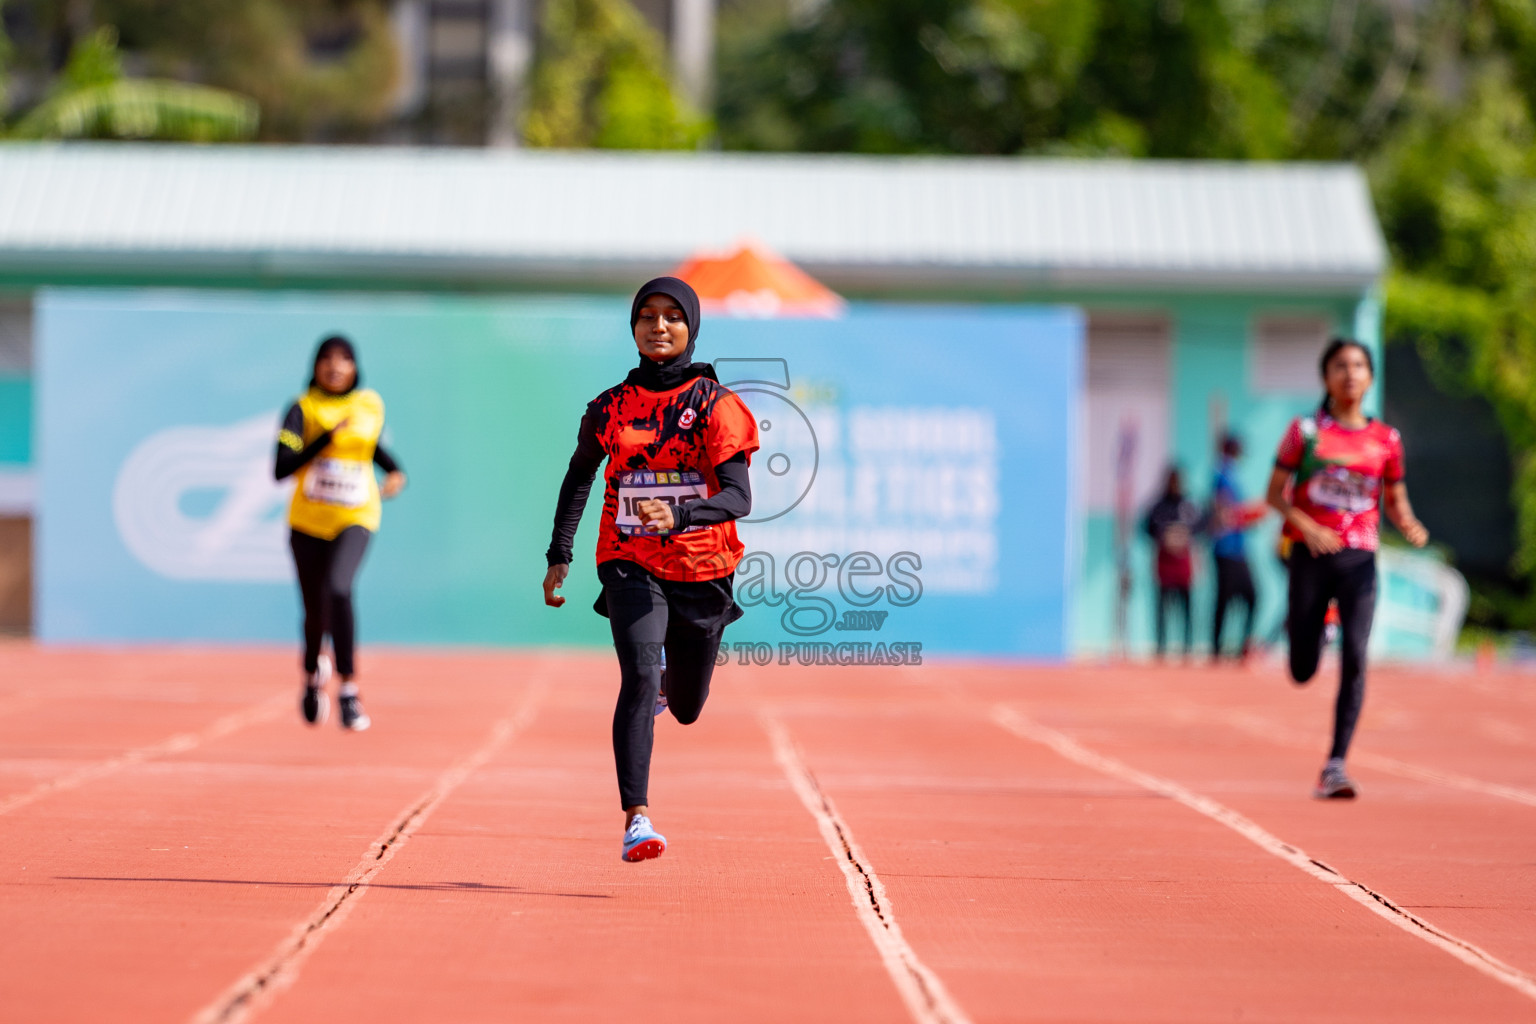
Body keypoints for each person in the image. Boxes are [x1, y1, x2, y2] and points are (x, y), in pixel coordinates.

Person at [543, 277, 759, 863]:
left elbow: (740, 497)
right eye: (647, 316)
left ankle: (672, 677)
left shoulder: (717, 406)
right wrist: (559, 553)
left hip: (703, 566)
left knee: (685, 707)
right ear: (633, 327)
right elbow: (579, 476)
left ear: (690, 328)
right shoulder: (609, 408)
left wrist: (684, 512)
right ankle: (637, 820)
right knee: (637, 675)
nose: (659, 326)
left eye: (672, 317)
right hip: (628, 559)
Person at [1266, 337, 1428, 799]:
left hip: (1359, 559)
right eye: (1340, 366)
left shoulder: (1386, 440)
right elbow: (1274, 494)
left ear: (1370, 377)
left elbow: (1394, 498)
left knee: (1357, 659)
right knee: (1301, 671)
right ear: (1326, 377)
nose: (1350, 373)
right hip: (1309, 556)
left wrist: (1410, 522)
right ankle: (1319, 629)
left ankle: (1335, 764)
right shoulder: (1306, 433)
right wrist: (1307, 527)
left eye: (1359, 366)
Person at [274, 335, 406, 732]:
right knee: (315, 612)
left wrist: (395, 469)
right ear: (315, 366)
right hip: (307, 523)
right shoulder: (302, 409)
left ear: (355, 367)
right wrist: (326, 439)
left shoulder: (368, 404)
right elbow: (281, 467)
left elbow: (368, 447)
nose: (335, 366)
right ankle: (313, 674)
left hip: (356, 515)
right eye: (326, 359)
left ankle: (348, 689)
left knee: (339, 588)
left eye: (344, 359)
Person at [1209, 433, 1263, 661]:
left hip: (1238, 547)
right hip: (1226, 548)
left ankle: (1240, 643)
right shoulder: (1222, 475)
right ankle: (1218, 647)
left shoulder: (1230, 473)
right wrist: (1250, 514)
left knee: (1249, 596)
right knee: (1228, 597)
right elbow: (1224, 514)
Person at [1143, 467, 1202, 660]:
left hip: (1183, 565)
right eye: (1172, 481)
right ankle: (1161, 646)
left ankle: (1187, 647)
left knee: (1186, 608)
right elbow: (1147, 528)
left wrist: (1184, 535)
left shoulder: (1188, 505)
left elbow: (1201, 525)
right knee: (1162, 608)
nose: (1175, 485)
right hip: (1165, 565)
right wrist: (1164, 536)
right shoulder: (1158, 506)